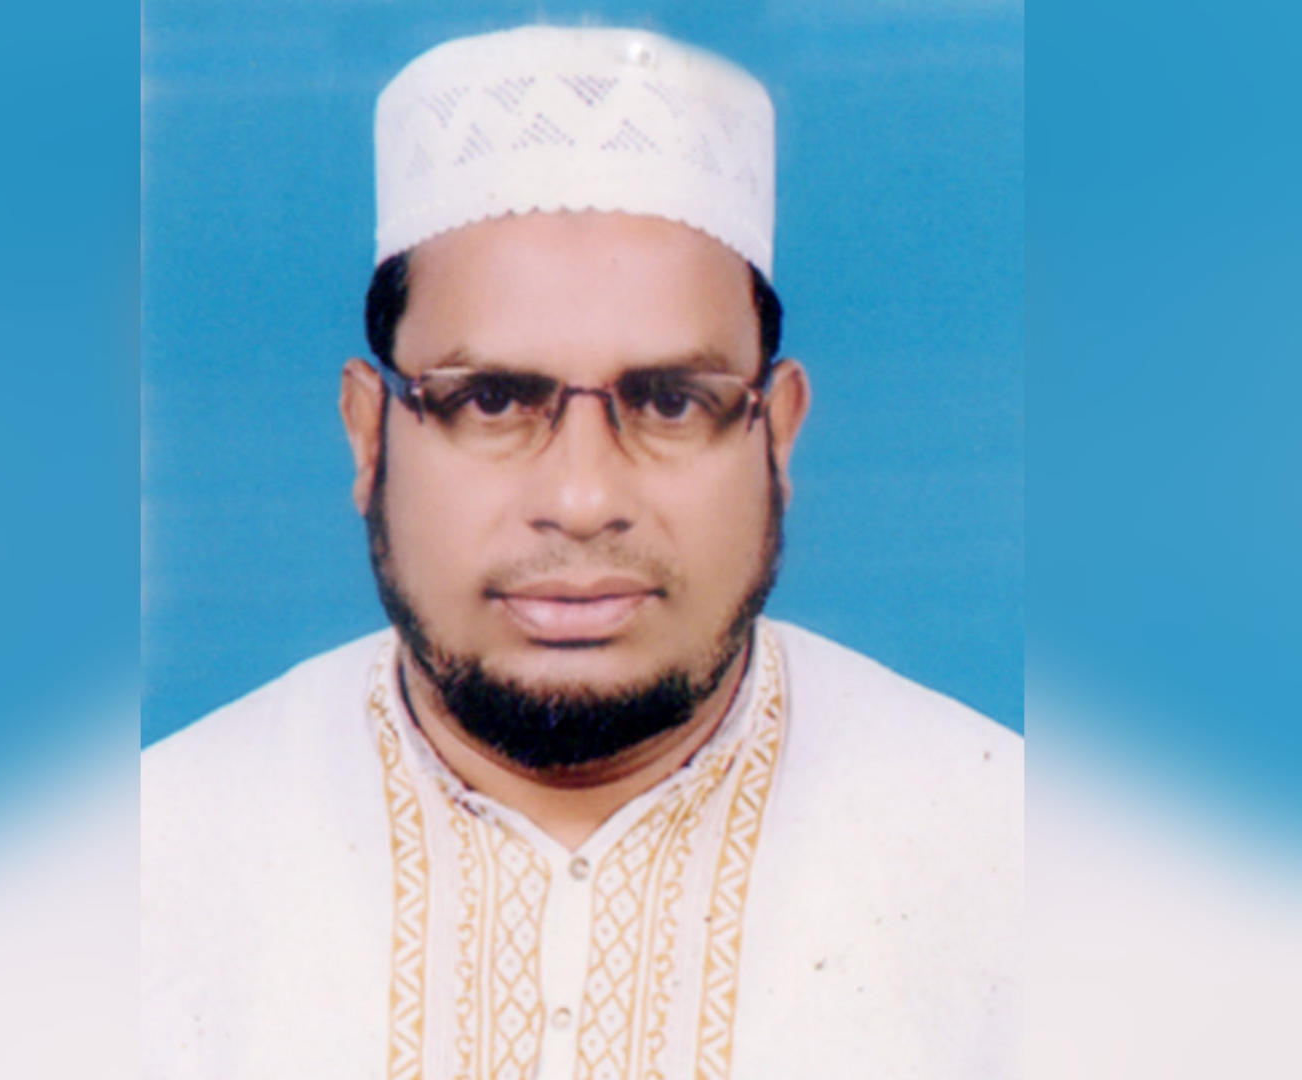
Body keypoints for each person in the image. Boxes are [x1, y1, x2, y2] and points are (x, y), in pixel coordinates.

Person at [143, 25, 1022, 1080]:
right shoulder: (141, 875)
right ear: (368, 436)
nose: (582, 499)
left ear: (778, 435)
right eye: (491, 400)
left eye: (670, 402)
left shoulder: (1022, 870)